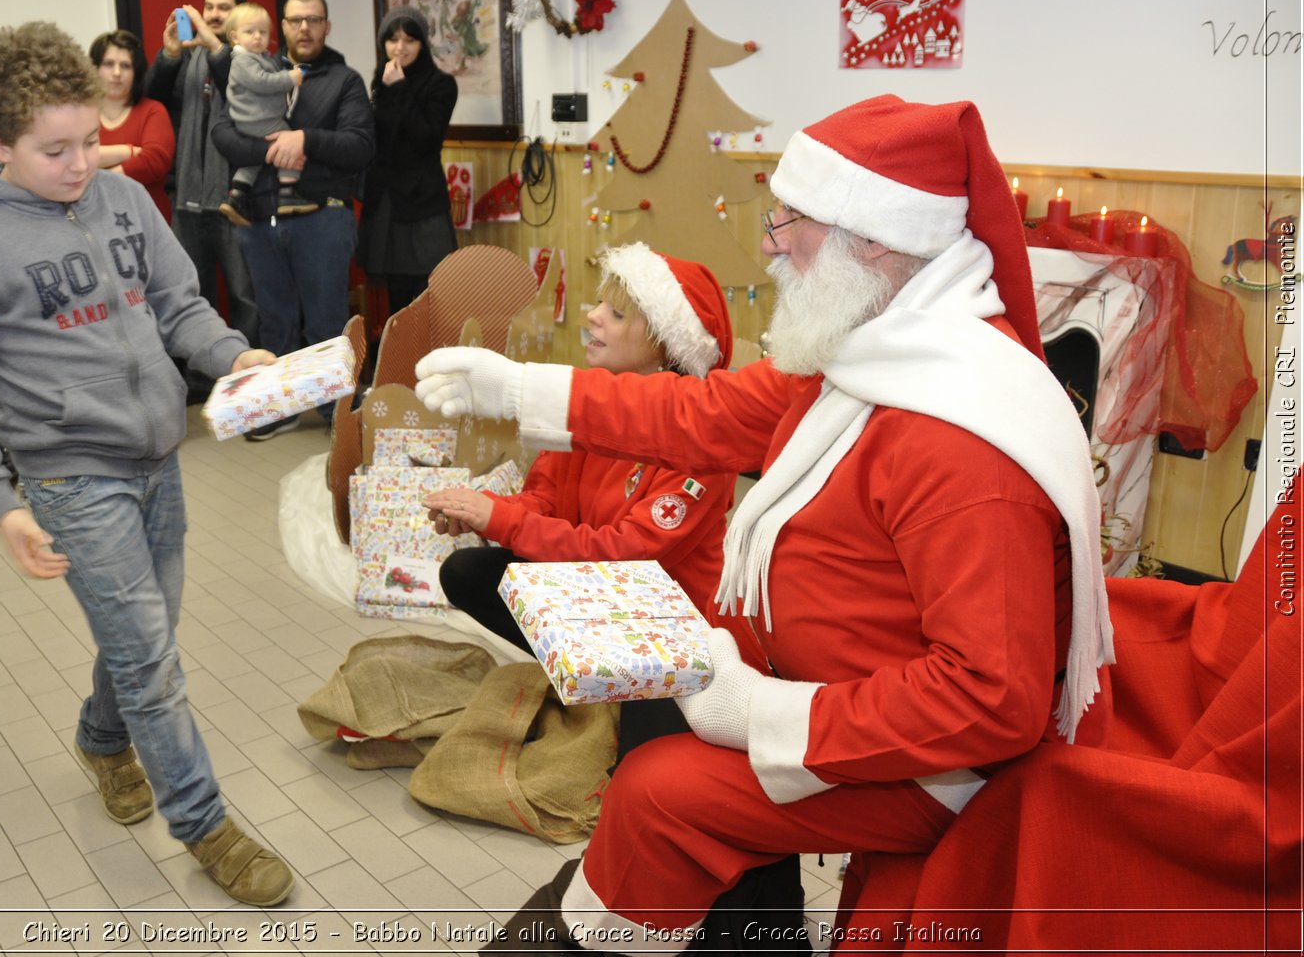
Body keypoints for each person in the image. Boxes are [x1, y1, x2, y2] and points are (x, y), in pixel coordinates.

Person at [414, 94, 1112, 953]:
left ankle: (594, 939)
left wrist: (770, 714)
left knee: (660, 790)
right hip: (805, 686)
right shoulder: (874, 348)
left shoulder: (960, 435)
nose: (771, 244)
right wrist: (518, 391)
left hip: (933, 762)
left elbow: (988, 700)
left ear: (878, 239)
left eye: (792, 222)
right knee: (664, 746)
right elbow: (698, 414)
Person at [0, 20, 294, 908]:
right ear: (0, 141)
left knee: (145, 636)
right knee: (153, 661)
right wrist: (0, 502)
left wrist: (232, 355)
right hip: (70, 477)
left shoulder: (123, 200)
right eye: (56, 150)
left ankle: (100, 738)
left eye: (91, 139)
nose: (83, 162)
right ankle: (204, 824)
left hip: (159, 456)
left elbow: (177, 302)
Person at [426, 244, 747, 666]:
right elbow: (544, 500)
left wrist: (502, 519)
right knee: (466, 572)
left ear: (666, 349)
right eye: (599, 304)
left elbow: (630, 557)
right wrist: (484, 510)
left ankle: (623, 683)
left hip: (664, 620)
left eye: (616, 314)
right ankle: (590, 676)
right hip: (601, 589)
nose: (593, 315)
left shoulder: (701, 448)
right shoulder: (587, 405)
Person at [210, 0, 373, 441]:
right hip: (260, 222)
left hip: (322, 218)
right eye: (295, 20)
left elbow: (360, 146)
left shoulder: (345, 81)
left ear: (327, 26)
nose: (304, 28)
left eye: (314, 20)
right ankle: (279, 409)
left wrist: (305, 140)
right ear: (282, 26)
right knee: (274, 321)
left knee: (326, 322)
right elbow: (222, 134)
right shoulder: (254, 69)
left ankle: (337, 413)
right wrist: (273, 151)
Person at [143, 0, 259, 339]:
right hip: (186, 194)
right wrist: (169, 57)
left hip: (234, 198)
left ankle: (251, 375)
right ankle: (199, 380)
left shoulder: (251, 59)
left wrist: (216, 50)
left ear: (237, 13)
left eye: (223, 8)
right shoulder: (186, 55)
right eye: (208, 7)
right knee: (193, 293)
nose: (212, 14)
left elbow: (240, 90)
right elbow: (152, 102)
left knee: (244, 294)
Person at [358, 6, 458, 316]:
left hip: (421, 204)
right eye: (392, 40)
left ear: (422, 44)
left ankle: (432, 366)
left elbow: (426, 140)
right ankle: (397, 364)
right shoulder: (379, 81)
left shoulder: (440, 84)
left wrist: (400, 89)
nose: (399, 48)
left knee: (429, 298)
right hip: (386, 202)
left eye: (409, 40)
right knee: (396, 302)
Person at [216, 3, 308, 226]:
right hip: (257, 119)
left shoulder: (259, 57)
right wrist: (289, 78)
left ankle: (236, 195)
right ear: (234, 37)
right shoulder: (243, 60)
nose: (257, 37)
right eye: (250, 32)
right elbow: (262, 82)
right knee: (287, 138)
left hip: (252, 121)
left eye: (263, 32)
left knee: (253, 162)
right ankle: (288, 192)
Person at [90, 29, 175, 225]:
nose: (117, 73)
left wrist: (101, 178)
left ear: (136, 73)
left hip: (149, 222)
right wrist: (129, 151)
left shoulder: (152, 111)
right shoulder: (80, 114)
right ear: (95, 69)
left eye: (126, 66)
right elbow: (72, 159)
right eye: (108, 64)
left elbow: (156, 161)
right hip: (96, 222)